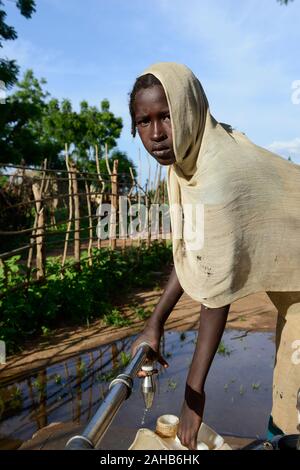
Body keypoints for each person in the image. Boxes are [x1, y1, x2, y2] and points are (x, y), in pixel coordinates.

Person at [129, 62, 300, 449]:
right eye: (144, 121)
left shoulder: (217, 170)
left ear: (189, 109)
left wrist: (193, 396)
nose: (156, 134)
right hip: (292, 284)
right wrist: (155, 322)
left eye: (167, 116)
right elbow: (197, 250)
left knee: (292, 407)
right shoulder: (186, 161)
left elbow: (215, 293)